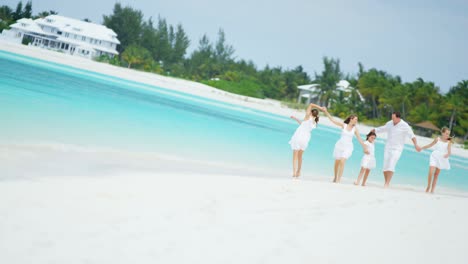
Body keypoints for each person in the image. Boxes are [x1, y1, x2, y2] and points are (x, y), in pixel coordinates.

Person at [371, 112, 421, 188]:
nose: (392, 119)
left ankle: (387, 183)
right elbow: (382, 128)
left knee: (391, 164)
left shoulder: (405, 126)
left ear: (398, 118)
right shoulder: (390, 123)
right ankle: (386, 182)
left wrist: (416, 145)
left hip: (397, 149)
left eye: (393, 118)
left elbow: (412, 136)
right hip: (388, 147)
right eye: (392, 117)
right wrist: (374, 130)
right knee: (385, 166)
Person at [323, 108, 368, 183]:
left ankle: (338, 180)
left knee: (343, 160)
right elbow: (333, 120)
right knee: (337, 162)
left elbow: (359, 139)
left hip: (348, 147)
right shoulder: (344, 125)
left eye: (357, 120)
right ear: (351, 119)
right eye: (355, 119)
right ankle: (335, 177)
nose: (356, 121)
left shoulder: (355, 129)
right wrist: (326, 112)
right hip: (340, 145)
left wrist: (364, 147)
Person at [288, 103, 324, 178]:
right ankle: (299, 172)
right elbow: (302, 124)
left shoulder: (307, 116)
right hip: (306, 138)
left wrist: (320, 107)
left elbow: (311, 104)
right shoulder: (314, 122)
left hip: (299, 136)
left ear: (310, 113)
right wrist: (295, 118)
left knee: (295, 156)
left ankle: (294, 172)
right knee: (300, 156)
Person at [421, 127, 452, 193]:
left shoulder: (449, 142)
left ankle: (432, 190)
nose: (447, 135)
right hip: (434, 156)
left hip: (442, 158)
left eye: (448, 134)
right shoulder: (437, 139)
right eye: (446, 134)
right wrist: (422, 148)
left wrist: (447, 155)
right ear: (442, 133)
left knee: (436, 175)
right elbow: (430, 145)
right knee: (431, 172)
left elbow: (449, 152)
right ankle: (428, 186)